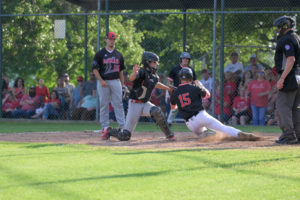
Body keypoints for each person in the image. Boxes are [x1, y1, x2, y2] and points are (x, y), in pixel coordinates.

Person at [170, 67, 260, 140]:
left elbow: (173, 107)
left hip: (190, 124)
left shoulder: (175, 92)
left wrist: (175, 96)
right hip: (201, 116)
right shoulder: (194, 88)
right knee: (222, 128)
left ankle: (207, 134)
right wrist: (200, 86)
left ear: (180, 78)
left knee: (203, 136)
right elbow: (207, 95)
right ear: (191, 77)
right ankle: (238, 134)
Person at [105, 51, 175, 141]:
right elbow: (131, 78)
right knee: (125, 136)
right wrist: (134, 72)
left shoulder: (154, 76)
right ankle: (110, 131)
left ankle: (169, 134)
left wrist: (168, 88)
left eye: (156, 62)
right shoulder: (141, 72)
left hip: (145, 104)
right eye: (154, 62)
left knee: (156, 111)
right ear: (147, 62)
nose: (156, 64)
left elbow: (156, 83)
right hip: (134, 105)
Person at [92, 31, 126, 134]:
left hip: (116, 81)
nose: (112, 41)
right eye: (110, 39)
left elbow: (121, 71)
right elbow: (94, 69)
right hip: (104, 81)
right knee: (104, 104)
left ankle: (123, 126)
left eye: (113, 39)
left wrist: (123, 84)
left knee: (118, 104)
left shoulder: (118, 54)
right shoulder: (100, 54)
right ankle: (105, 126)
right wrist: (101, 80)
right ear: (106, 40)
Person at [273, 15, 300, 144]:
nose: (278, 30)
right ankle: (298, 134)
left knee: (283, 106)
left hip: (289, 75)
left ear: (285, 26)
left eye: (279, 27)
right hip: (298, 74)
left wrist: (282, 78)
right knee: (295, 107)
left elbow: (291, 59)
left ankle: (289, 135)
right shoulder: (297, 37)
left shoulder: (286, 39)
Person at [167, 52, 197, 125]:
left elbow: (195, 82)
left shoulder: (191, 70)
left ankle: (192, 123)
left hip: (188, 91)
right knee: (175, 108)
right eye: (184, 58)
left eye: (187, 59)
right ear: (181, 59)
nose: (185, 60)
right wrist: (172, 89)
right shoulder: (175, 69)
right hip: (178, 91)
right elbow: (168, 83)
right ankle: (168, 123)